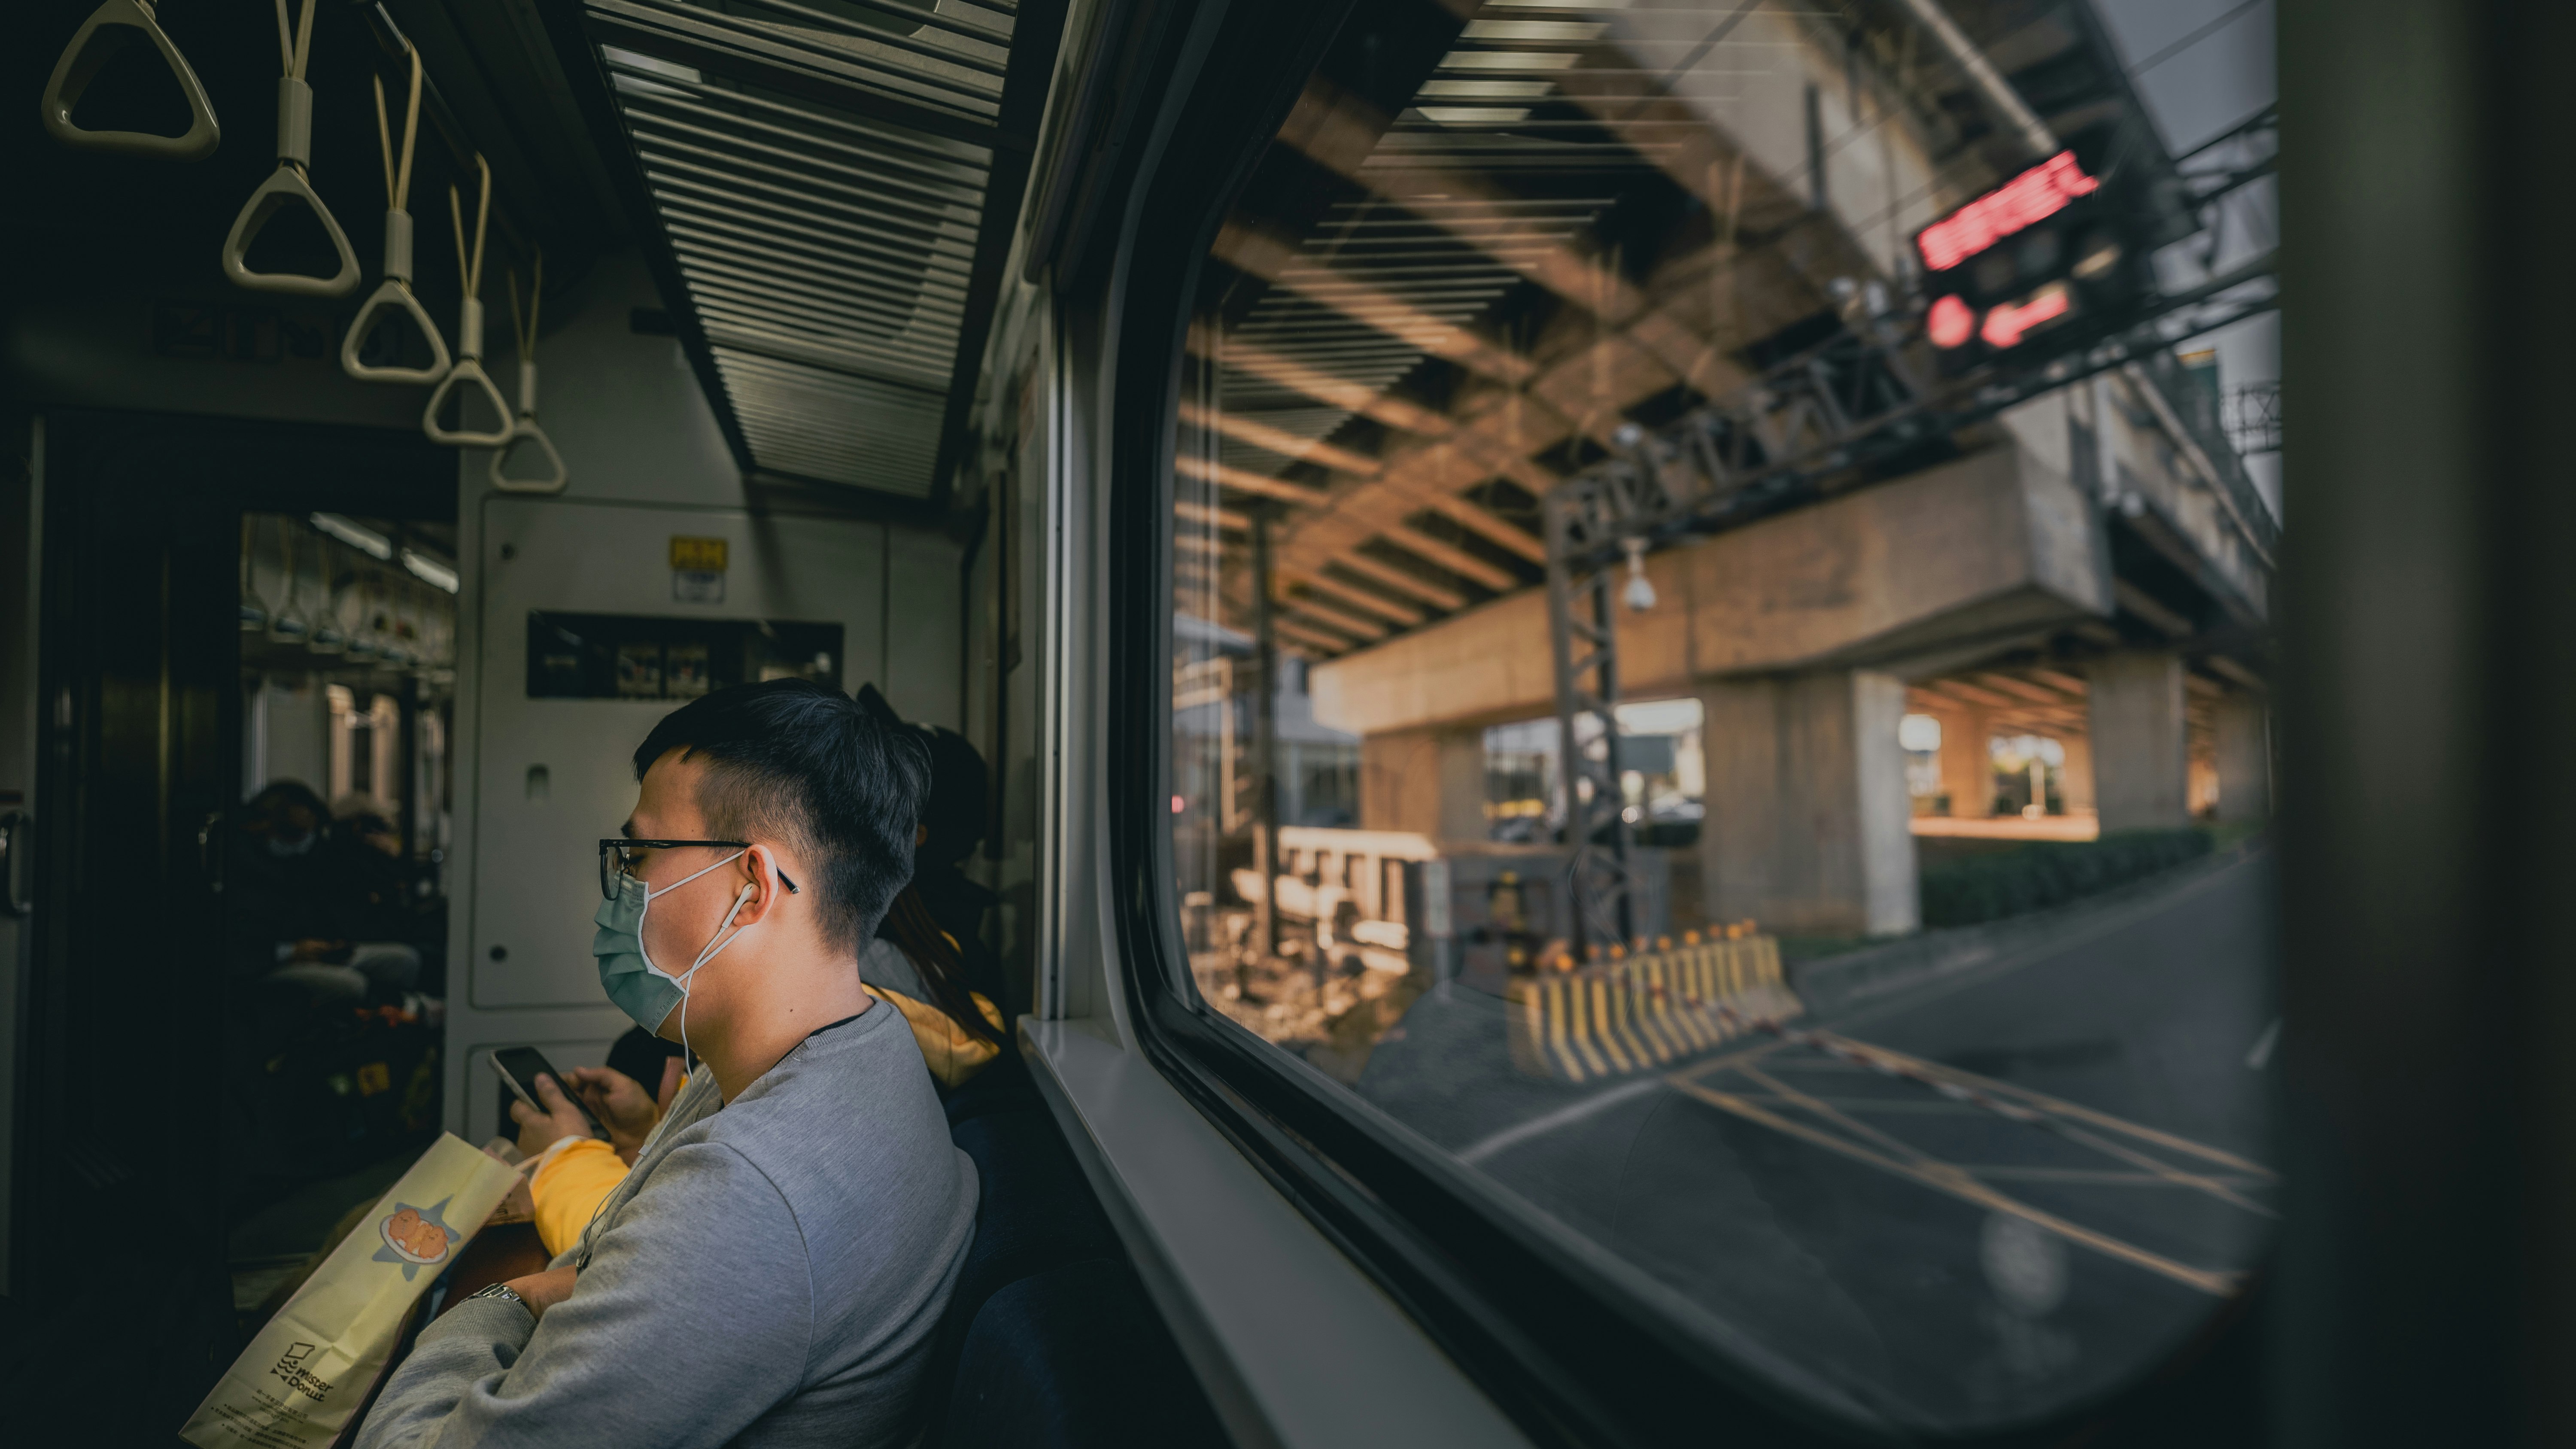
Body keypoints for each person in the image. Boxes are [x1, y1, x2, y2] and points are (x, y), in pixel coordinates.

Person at [357, 679, 977, 1447]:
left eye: (641, 853)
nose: (622, 886)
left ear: (752, 887)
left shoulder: (751, 1193)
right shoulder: (862, 1046)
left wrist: (504, 1302)